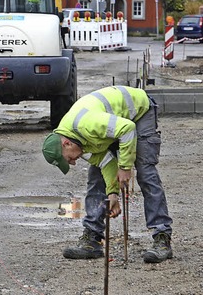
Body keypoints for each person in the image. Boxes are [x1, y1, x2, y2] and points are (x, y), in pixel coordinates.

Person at [42, 85, 173, 263]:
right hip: (115, 123)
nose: (73, 163)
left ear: (66, 144)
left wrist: (125, 167)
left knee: (145, 172)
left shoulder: (87, 125)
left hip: (139, 111)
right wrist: (113, 194)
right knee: (95, 176)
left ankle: (162, 238)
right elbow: (106, 163)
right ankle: (92, 240)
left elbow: (127, 128)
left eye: (68, 159)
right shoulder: (76, 141)